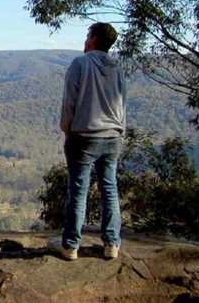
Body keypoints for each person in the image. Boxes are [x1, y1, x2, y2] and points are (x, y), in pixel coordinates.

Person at [49, 22, 126, 261]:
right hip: (113, 135)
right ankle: (112, 244)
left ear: (92, 39)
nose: (85, 40)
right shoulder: (117, 66)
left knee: (78, 190)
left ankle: (71, 246)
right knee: (109, 188)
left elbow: (69, 101)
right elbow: (122, 102)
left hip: (84, 135)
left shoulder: (80, 64)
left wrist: (67, 129)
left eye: (87, 36)